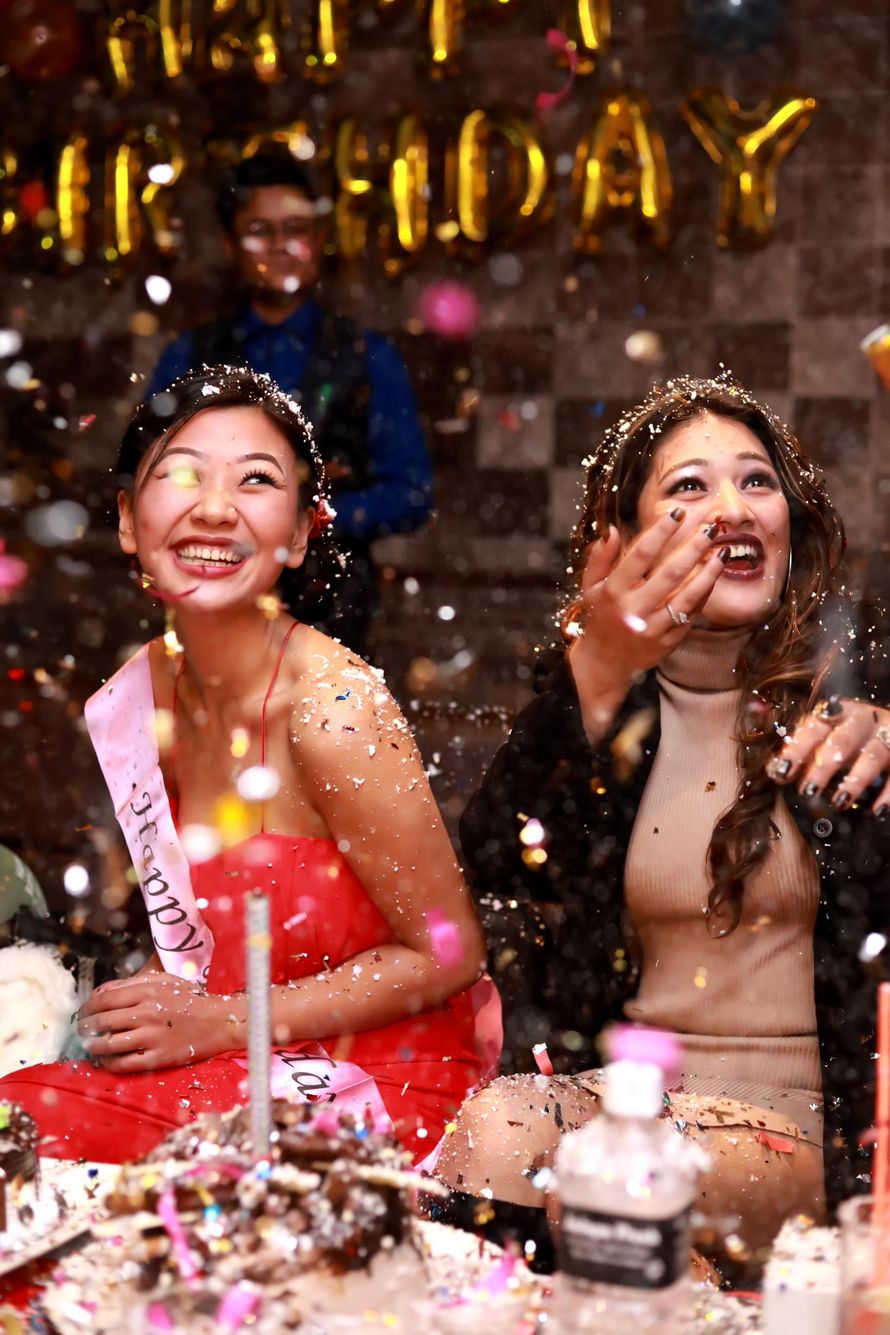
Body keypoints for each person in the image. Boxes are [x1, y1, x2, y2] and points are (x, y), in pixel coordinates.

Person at [436, 375, 890, 1262]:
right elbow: (495, 856)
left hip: (807, 1136)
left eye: (756, 482)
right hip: (635, 1103)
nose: (732, 509)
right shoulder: (610, 717)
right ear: (626, 542)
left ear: (791, 522)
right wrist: (597, 667)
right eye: (689, 488)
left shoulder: (857, 703)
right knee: (495, 1124)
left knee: (613, 1185)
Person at [0, 366, 499, 1163]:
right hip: (231, 1053)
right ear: (129, 518)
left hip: (373, 1076)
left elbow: (449, 953)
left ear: (300, 533)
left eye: (257, 480)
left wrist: (216, 1020)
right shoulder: (141, 695)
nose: (215, 508)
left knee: (35, 1129)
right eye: (181, 474)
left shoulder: (332, 706)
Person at [146, 153, 434, 655]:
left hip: (334, 611)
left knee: (322, 732)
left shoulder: (368, 356)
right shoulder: (189, 356)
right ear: (230, 244)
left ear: (320, 240)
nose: (281, 246)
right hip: (209, 599)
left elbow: (412, 494)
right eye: (261, 229)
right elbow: (148, 479)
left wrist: (308, 517)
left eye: (296, 227)